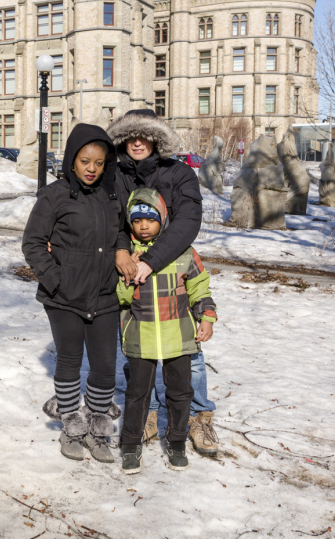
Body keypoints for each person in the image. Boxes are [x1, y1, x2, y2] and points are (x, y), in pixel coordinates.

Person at [107, 109, 219, 457]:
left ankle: (199, 416)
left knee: (189, 355)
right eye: (131, 136)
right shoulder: (116, 175)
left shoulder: (179, 172)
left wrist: (152, 261)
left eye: (144, 136)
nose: (137, 142)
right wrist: (122, 251)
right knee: (140, 353)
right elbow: (112, 219)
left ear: (156, 139)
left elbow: (188, 222)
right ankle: (149, 414)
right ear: (123, 139)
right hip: (134, 273)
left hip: (175, 269)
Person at [22, 124, 123, 463]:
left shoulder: (111, 196)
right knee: (69, 363)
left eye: (98, 162)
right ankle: (72, 430)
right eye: (85, 161)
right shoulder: (54, 195)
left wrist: (121, 252)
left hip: (105, 294)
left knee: (105, 367)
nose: (92, 168)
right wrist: (56, 279)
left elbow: (121, 233)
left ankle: (97, 430)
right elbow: (33, 242)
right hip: (64, 297)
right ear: (72, 160)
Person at [117, 188, 217, 474]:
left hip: (180, 337)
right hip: (141, 337)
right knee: (137, 394)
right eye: (136, 221)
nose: (143, 226)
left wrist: (207, 317)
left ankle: (176, 441)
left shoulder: (183, 252)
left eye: (149, 219)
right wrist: (129, 274)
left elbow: (200, 289)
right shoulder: (128, 257)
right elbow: (122, 299)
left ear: (162, 218)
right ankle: (130, 444)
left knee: (179, 392)